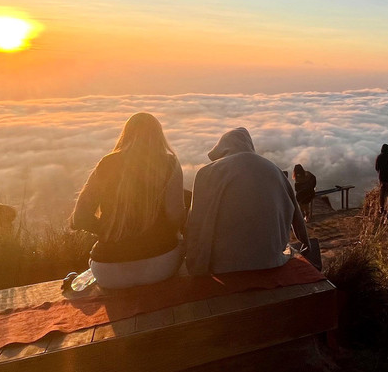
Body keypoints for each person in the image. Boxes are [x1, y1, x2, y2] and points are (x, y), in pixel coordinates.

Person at [72, 112, 186, 289]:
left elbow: (79, 218)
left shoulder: (107, 163)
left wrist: (111, 231)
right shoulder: (169, 163)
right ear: (159, 136)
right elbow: (175, 215)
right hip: (160, 266)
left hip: (107, 272)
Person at [185, 127, 311, 275]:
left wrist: (194, 262)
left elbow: (195, 222)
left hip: (222, 264)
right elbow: (296, 216)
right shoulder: (274, 170)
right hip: (272, 260)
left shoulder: (206, 172)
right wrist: (306, 243)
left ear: (222, 149)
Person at [374, 144, 388, 215]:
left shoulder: (379, 157)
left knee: (382, 193)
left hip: (381, 177)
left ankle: (381, 208)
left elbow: (376, 168)